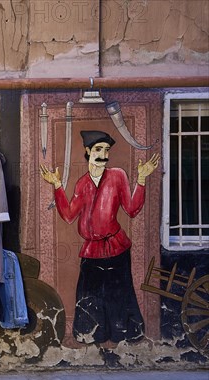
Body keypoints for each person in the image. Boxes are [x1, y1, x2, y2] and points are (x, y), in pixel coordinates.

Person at [40, 130, 160, 344]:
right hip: (91, 251)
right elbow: (68, 215)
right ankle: (93, 338)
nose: (103, 154)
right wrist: (57, 186)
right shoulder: (82, 184)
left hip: (117, 247)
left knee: (119, 294)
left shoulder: (118, 176)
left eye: (106, 150)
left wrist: (141, 179)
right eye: (98, 149)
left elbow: (132, 209)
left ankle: (123, 338)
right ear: (88, 151)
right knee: (89, 296)